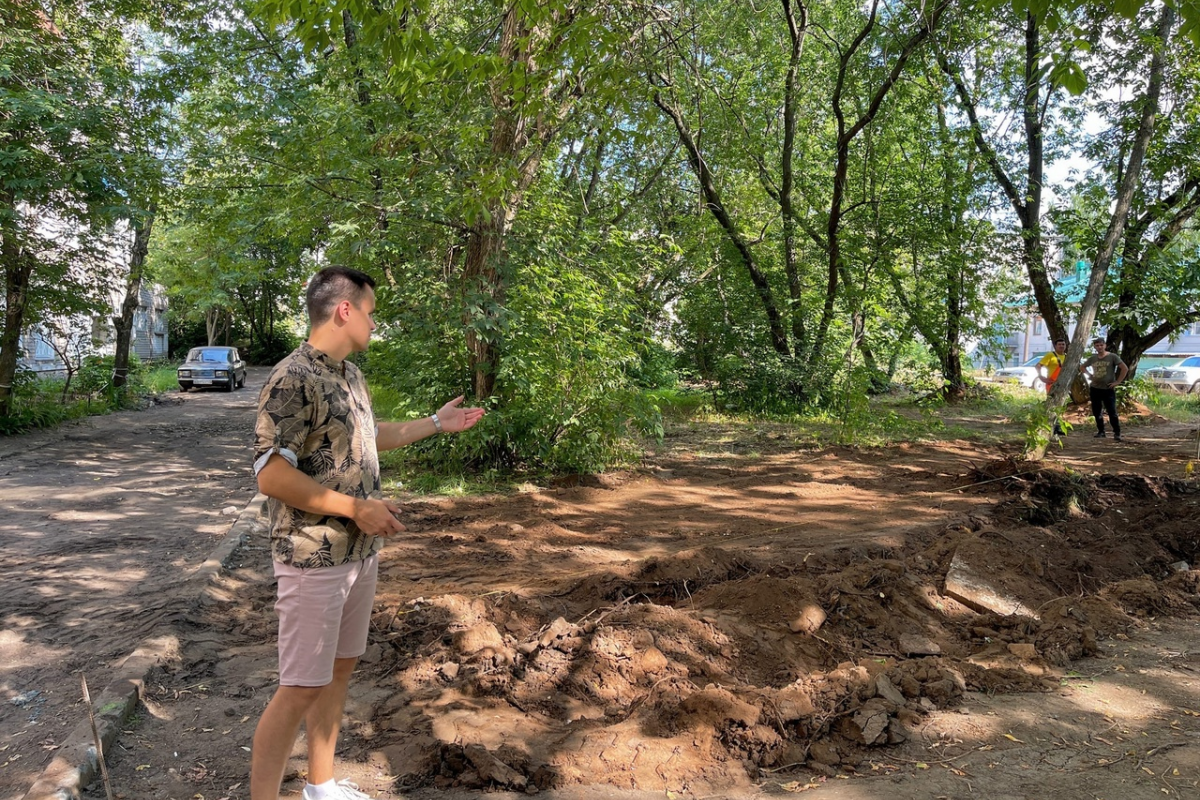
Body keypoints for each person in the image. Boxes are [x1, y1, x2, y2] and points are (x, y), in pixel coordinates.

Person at [250, 266, 484, 800]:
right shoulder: (291, 378)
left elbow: (368, 437)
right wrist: (356, 507)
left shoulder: (349, 376)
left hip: (359, 556)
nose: (376, 323)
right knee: (299, 687)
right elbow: (271, 474)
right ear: (345, 310)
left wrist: (435, 423)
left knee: (337, 671)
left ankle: (321, 786)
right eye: (373, 312)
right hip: (312, 558)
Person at [1081, 337, 1128, 442]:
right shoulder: (1093, 358)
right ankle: (1101, 431)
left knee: (1112, 411)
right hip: (1095, 388)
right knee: (1097, 411)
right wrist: (1089, 375)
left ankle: (1117, 433)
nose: (1099, 347)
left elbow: (1124, 368)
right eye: (1097, 345)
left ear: (1105, 345)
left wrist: (1118, 382)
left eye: (1101, 345)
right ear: (1094, 347)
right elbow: (1082, 367)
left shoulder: (1112, 357)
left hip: (1108, 388)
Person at [1037, 338, 1069, 436]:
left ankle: (1058, 426)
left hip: (1064, 385)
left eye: (1063, 344)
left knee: (1061, 405)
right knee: (1052, 405)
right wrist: (1041, 377)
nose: (1061, 346)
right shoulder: (1050, 355)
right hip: (1052, 384)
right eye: (1059, 344)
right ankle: (1051, 426)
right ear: (1055, 346)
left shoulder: (1068, 357)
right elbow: (1038, 365)